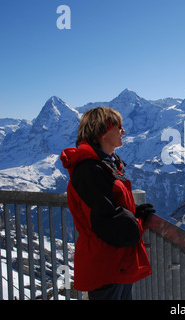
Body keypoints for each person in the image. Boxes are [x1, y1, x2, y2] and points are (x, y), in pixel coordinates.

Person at [60, 106, 155, 300]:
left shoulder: (103, 164)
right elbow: (107, 223)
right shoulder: (90, 170)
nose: (123, 131)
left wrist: (134, 212)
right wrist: (138, 223)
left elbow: (105, 207)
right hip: (105, 264)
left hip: (114, 263)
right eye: (118, 126)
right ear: (102, 132)